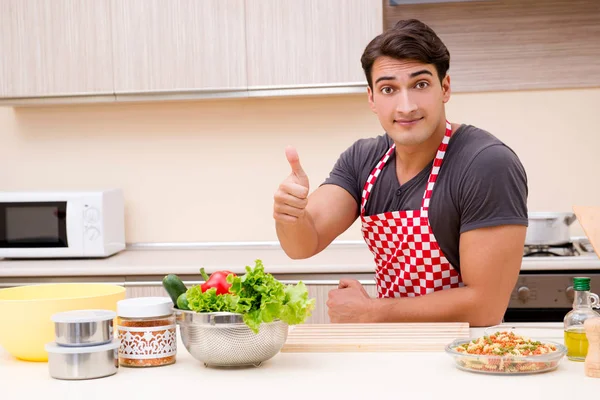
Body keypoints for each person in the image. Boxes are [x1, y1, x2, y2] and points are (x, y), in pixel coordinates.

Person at [272, 19, 528, 327]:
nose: (406, 106)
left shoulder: (486, 164)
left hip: (466, 357)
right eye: (389, 89)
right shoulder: (363, 159)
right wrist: (290, 216)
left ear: (444, 87)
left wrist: (373, 312)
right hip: (393, 348)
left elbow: (485, 306)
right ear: (372, 99)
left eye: (420, 85)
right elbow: (303, 244)